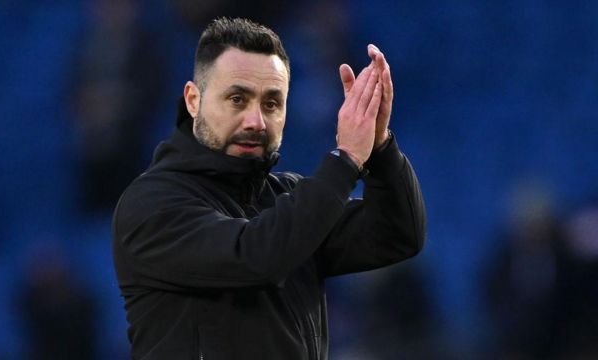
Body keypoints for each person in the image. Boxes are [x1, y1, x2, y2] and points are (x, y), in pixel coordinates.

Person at [112, 17, 425, 360]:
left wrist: (379, 147)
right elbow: (256, 257)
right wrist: (346, 158)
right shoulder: (152, 204)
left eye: (271, 103)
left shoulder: (288, 199)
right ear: (193, 100)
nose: (255, 121)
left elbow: (397, 234)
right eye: (237, 99)